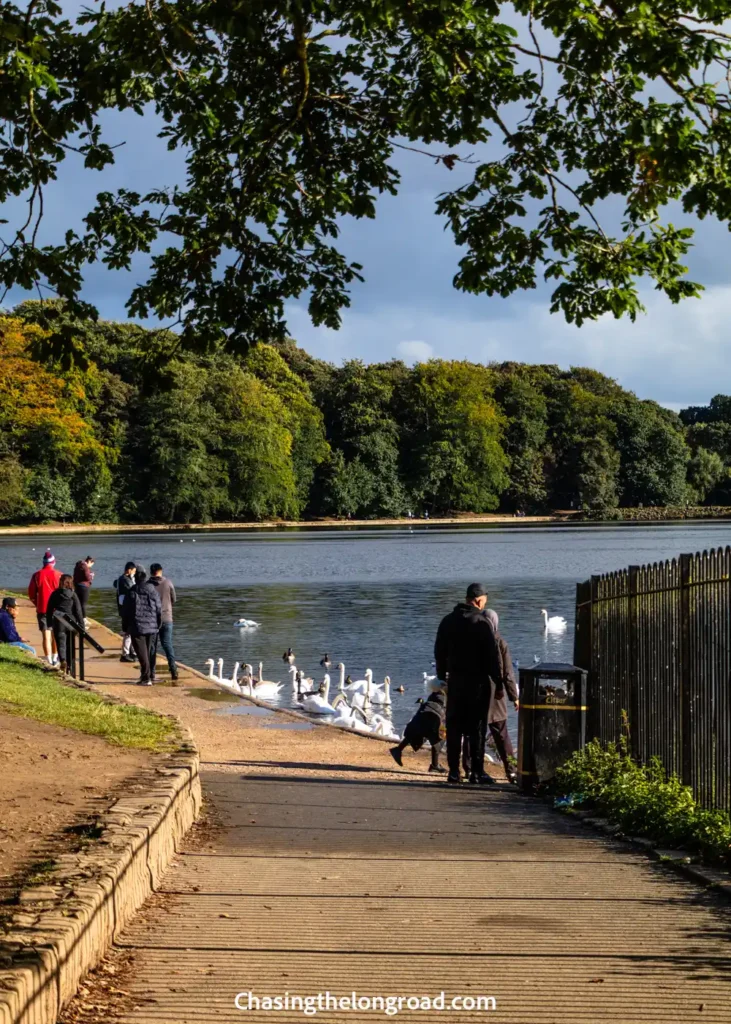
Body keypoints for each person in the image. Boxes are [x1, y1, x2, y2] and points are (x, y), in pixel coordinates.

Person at [434, 582, 502, 786]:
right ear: (479, 601)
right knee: (477, 729)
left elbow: (439, 652)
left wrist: (442, 676)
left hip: (455, 682)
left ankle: (454, 772)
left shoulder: (448, 621)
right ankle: (476, 772)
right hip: (478, 683)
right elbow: (492, 656)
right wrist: (498, 683)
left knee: (454, 727)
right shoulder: (482, 622)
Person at [484, 609, 519, 785]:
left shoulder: (473, 642)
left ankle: (469, 768)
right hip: (495, 694)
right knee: (501, 733)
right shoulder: (499, 642)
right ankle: (511, 771)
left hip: (475, 693)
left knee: (472, 733)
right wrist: (514, 696)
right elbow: (507, 673)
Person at [389, 682, 446, 773]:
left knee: (419, 728)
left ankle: (398, 749)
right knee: (439, 736)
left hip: (428, 710)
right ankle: (434, 765)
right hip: (436, 713)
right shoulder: (447, 691)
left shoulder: (435, 693)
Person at [121, 567, 162, 685]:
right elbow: (158, 608)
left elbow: (126, 611)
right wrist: (158, 623)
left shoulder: (132, 591)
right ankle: (147, 676)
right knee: (147, 652)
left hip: (137, 626)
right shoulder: (152, 590)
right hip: (152, 626)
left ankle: (146, 678)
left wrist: (125, 627)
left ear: (136, 579)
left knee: (141, 653)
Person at [28, 550, 62, 665]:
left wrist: (37, 604)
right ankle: (55, 658)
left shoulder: (36, 575)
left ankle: (48, 660)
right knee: (56, 635)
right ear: (53, 562)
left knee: (46, 636)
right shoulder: (59, 575)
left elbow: (32, 593)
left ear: (43, 563)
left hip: (42, 609)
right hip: (56, 610)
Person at [46, 575, 84, 674]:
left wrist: (49, 624)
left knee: (61, 644)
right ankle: (70, 665)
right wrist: (81, 627)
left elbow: (49, 610)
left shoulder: (55, 594)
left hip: (59, 622)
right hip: (71, 622)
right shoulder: (73, 595)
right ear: (71, 583)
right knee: (71, 645)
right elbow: (78, 611)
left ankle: (63, 660)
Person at [148, 563, 178, 682]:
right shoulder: (168, 583)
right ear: (161, 571)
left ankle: (152, 673)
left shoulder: (148, 585)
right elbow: (174, 599)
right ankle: (173, 669)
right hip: (167, 618)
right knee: (167, 644)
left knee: (152, 646)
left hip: (152, 620)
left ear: (151, 572)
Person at [114, 562, 137, 662]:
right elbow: (134, 589)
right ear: (129, 570)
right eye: (134, 571)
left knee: (130, 631)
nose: (135, 573)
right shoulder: (125, 580)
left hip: (124, 609)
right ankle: (125, 653)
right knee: (128, 631)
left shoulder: (120, 579)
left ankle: (131, 651)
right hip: (127, 609)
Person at [73, 556, 95, 626]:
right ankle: (84, 619)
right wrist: (92, 575)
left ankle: (78, 618)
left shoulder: (78, 565)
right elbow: (87, 577)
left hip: (77, 586)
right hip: (84, 587)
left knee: (78, 603)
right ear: (90, 562)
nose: (90, 566)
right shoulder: (85, 567)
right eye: (91, 564)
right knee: (83, 604)